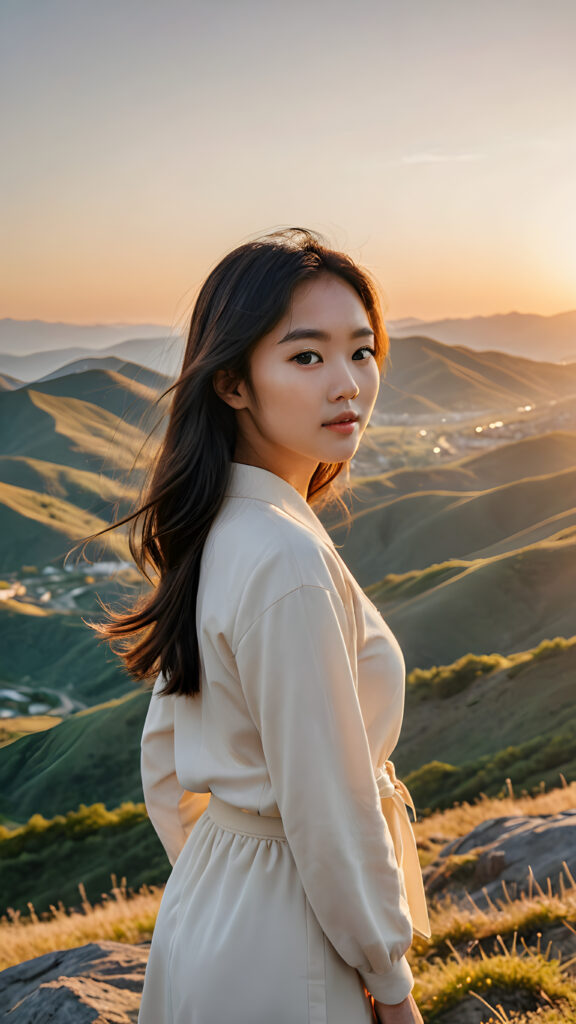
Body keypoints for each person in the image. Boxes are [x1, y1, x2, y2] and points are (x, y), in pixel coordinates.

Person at [93, 227, 430, 1023]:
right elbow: (329, 802)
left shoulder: (221, 527)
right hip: (290, 933)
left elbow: (166, 763)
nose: (347, 384)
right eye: (306, 357)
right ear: (234, 383)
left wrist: (224, 874)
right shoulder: (283, 556)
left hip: (215, 908)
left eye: (362, 351)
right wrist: (390, 979)